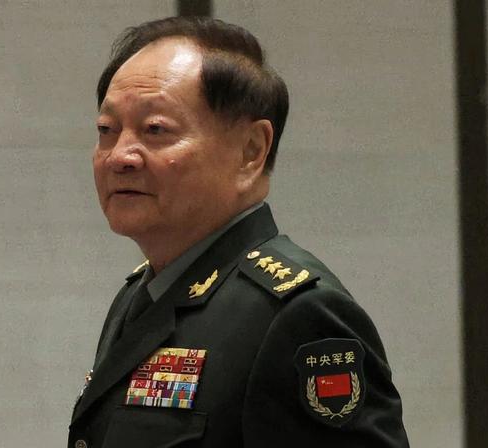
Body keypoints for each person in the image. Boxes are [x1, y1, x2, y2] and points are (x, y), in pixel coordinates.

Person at [68, 16, 409, 448]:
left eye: (155, 130)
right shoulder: (143, 293)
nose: (119, 156)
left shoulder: (299, 317)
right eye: (106, 131)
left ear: (251, 151)